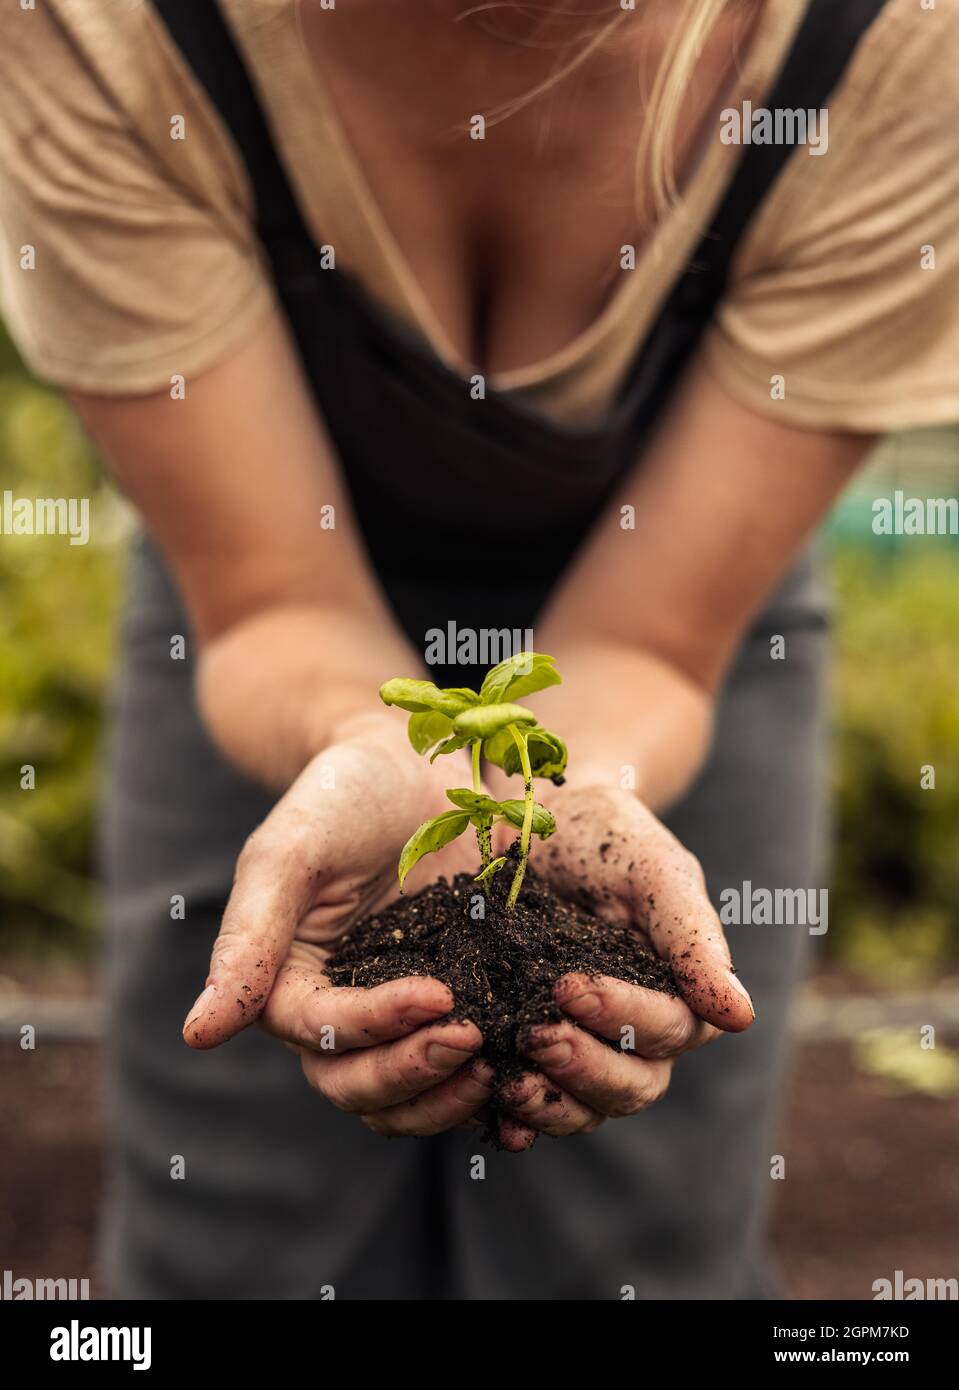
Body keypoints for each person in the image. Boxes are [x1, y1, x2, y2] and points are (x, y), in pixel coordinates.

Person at [1, 0, 956, 1300]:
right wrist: (365, 735)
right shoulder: (95, 28)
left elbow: (654, 647)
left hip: (686, 593)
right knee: (234, 1231)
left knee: (631, 1243)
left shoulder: (894, 43)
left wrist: (581, 785)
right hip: (255, 577)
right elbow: (273, 604)